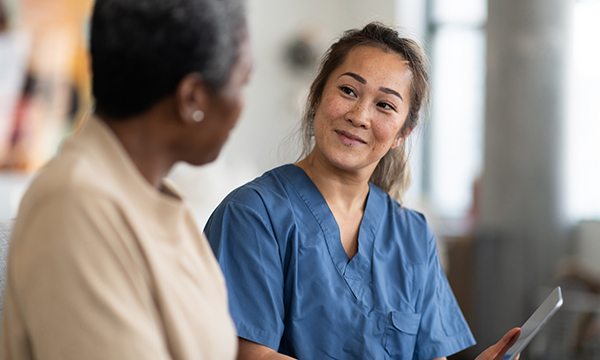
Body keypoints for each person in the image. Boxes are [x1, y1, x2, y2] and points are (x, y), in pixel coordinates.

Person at [205, 22, 520, 360]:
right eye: (348, 91)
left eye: (385, 105)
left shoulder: (412, 234)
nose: (359, 116)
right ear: (316, 97)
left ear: (403, 132)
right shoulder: (253, 214)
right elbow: (252, 356)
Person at [1, 0, 252, 359]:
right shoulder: (74, 205)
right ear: (192, 98)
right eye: (242, 82)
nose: (242, 105)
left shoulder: (163, 202)